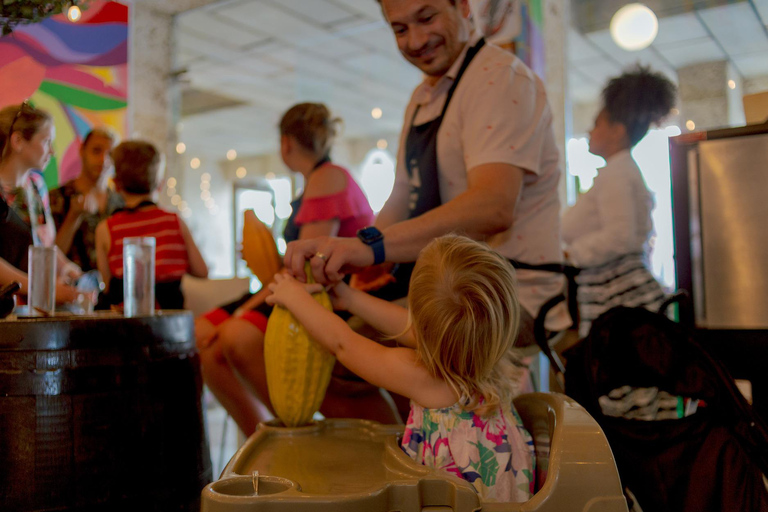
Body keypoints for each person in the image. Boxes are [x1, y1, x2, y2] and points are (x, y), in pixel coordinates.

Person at [284, 0, 570, 348]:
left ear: (463, 6)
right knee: (328, 336)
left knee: (343, 346)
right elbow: (403, 196)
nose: (416, 41)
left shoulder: (498, 78)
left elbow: (493, 206)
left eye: (427, 17)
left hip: (511, 295)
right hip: (450, 285)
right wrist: (358, 253)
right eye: (400, 29)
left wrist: (372, 247)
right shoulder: (421, 100)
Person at [267, 234, 535, 503]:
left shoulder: (423, 376)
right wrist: (349, 298)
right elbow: (410, 327)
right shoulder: (486, 353)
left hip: (460, 504)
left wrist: (294, 299)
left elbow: (343, 344)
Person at [195, 103, 388, 435]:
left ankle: (291, 432)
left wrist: (242, 310)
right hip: (310, 286)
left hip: (336, 293)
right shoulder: (319, 179)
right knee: (202, 338)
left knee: (236, 337)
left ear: (285, 143)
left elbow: (309, 271)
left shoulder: (327, 177)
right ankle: (258, 437)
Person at [562, 66, 676, 337]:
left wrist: (571, 253)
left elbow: (619, 236)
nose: (590, 131)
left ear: (618, 131)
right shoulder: (618, 171)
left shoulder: (618, 173)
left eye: (597, 124)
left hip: (617, 293)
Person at [95, 140, 208, 309]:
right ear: (160, 184)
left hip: (126, 325)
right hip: (169, 325)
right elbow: (202, 271)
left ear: (116, 185)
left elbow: (108, 285)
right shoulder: (174, 222)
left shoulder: (106, 228)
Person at [0, 102, 78, 303]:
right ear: (18, 140)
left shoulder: (36, 186)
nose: (52, 151)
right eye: (46, 141)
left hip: (33, 305)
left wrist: (66, 268)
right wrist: (39, 287)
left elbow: (43, 242)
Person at [50, 127, 123, 272]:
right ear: (82, 151)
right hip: (70, 289)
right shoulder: (57, 197)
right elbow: (50, 257)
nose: (103, 160)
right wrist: (73, 216)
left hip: (112, 290)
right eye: (96, 151)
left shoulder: (120, 202)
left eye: (110, 154)